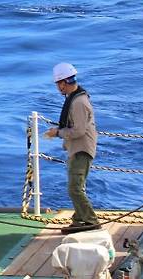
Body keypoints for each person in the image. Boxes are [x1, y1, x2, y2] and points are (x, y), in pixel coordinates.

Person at [45, 62, 100, 234]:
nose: (57, 87)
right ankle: (79, 220)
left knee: (75, 188)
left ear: (63, 82)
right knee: (75, 186)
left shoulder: (78, 103)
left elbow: (79, 131)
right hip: (76, 148)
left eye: (57, 83)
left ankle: (91, 221)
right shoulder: (74, 98)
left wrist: (58, 133)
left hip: (81, 149)